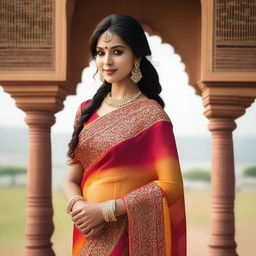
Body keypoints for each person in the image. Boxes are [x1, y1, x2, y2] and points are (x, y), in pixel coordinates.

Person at [64, 14, 186, 256]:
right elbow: (71, 178)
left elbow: (171, 185)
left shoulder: (152, 115)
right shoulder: (85, 111)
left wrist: (106, 210)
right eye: (100, 53)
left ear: (137, 57)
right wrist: (79, 207)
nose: (107, 61)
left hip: (127, 233)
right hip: (87, 230)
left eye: (117, 52)